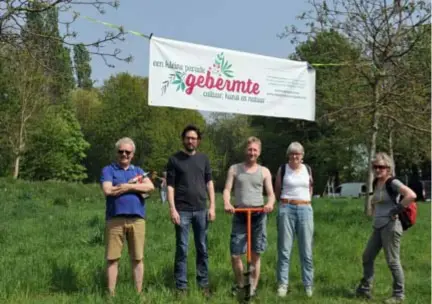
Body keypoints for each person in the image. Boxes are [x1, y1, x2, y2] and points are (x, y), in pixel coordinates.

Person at [356, 152, 416, 304]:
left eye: (381, 167)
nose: (377, 170)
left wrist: (396, 210)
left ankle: (398, 295)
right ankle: (365, 289)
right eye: (375, 167)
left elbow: (411, 195)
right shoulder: (377, 182)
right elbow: (377, 201)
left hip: (391, 226)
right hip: (378, 226)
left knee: (392, 261)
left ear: (388, 168)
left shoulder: (393, 182)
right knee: (367, 256)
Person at [100, 137, 155, 297]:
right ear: (116, 152)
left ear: (133, 154)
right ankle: (111, 295)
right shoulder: (108, 170)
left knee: (137, 258)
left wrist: (127, 186)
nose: (124, 154)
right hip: (115, 219)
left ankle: (138, 294)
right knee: (112, 258)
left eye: (127, 152)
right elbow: (108, 190)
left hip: (137, 220)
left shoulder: (138, 171)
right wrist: (137, 188)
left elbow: (150, 187)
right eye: (121, 151)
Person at [166, 125, 216, 297]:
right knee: (182, 249)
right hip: (182, 211)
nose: (190, 141)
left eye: (194, 138)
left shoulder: (204, 159)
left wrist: (212, 206)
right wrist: (172, 209)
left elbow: (209, 183)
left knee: (202, 248)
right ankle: (181, 287)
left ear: (198, 141)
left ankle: (203, 285)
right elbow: (170, 186)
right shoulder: (174, 160)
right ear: (183, 139)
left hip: (202, 210)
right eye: (188, 138)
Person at [223, 136, 275, 297]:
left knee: (255, 254)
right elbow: (226, 190)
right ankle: (240, 285)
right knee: (235, 254)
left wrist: (269, 204)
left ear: (259, 152)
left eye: (255, 150)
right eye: (249, 149)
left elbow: (271, 194)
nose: (252, 152)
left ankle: (252, 288)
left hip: (258, 215)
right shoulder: (234, 169)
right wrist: (227, 203)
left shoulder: (264, 171)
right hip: (240, 215)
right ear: (245, 150)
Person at [274, 141, 314, 298]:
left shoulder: (308, 169)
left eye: (298, 153)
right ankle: (283, 284)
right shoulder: (283, 169)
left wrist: (304, 202)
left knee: (306, 250)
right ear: (288, 155)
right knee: (284, 249)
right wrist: (284, 204)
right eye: (292, 153)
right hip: (286, 208)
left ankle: (308, 285)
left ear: (302, 156)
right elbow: (277, 190)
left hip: (305, 209)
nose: (295, 156)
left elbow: (310, 188)